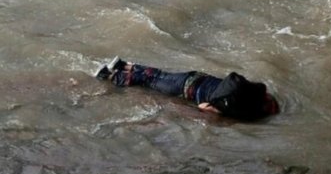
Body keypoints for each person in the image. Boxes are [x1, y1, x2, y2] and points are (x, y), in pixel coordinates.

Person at [95, 56, 279, 121]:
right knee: (149, 82)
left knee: (159, 74)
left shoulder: (249, 90)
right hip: (186, 88)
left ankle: (124, 64)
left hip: (196, 76)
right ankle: (109, 75)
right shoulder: (235, 107)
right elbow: (203, 107)